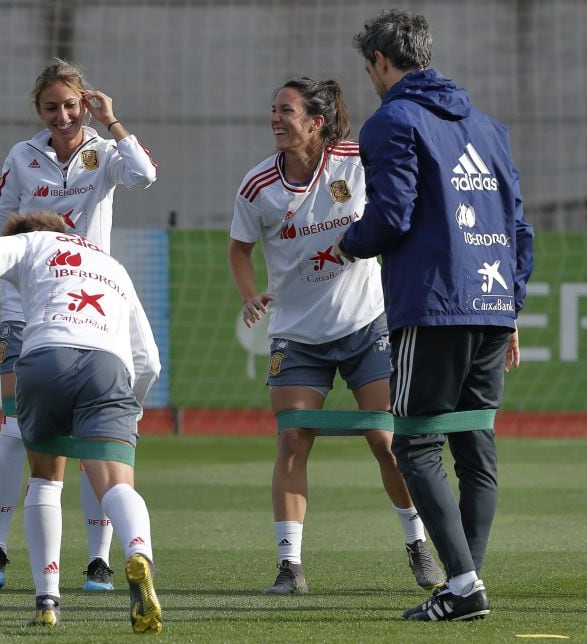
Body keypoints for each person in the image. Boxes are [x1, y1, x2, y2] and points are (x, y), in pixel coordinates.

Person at [338, 10, 534, 622]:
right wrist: (512, 306)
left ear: (379, 61)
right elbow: (519, 228)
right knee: (476, 447)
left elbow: (392, 216)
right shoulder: (490, 127)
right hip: (493, 299)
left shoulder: (391, 120)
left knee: (416, 445)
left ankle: (464, 583)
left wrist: (348, 241)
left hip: (433, 303)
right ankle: (464, 579)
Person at [229, 76, 445, 596]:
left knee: (386, 439)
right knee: (292, 439)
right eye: (273, 109)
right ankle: (289, 567)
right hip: (297, 335)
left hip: (366, 322)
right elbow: (239, 248)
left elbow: (404, 187)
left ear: (316, 122)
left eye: (287, 110)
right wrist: (249, 293)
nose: (275, 118)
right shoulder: (257, 185)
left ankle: (419, 546)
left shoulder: (354, 158)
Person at [0, 58, 157, 591]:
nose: (63, 116)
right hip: (27, 310)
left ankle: (99, 560)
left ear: (85, 103)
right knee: (12, 430)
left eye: (71, 105)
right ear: (38, 109)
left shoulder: (105, 152)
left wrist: (112, 120)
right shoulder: (22, 157)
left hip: (92, 310)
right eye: (52, 107)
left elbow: (145, 173)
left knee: (93, 440)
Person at [0, 210, 163, 631]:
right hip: (108, 369)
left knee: (46, 480)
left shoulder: (32, 243)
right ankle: (138, 554)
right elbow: (150, 361)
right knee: (117, 485)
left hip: (46, 357)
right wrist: (130, 410)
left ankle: (48, 601)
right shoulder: (111, 264)